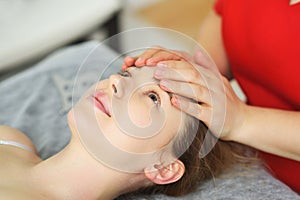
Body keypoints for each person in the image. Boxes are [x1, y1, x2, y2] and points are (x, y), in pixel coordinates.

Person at [122, 0, 300, 193]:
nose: (114, 83)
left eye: (153, 98)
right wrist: (197, 73)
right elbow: (230, 15)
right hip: (253, 158)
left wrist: (242, 120)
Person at [0, 65, 247, 199]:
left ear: (162, 168)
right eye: (127, 74)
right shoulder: (11, 140)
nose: (115, 80)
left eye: (153, 97)